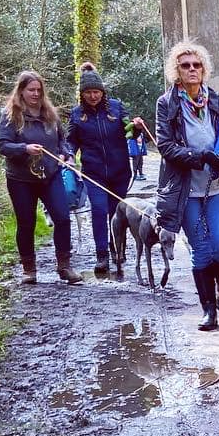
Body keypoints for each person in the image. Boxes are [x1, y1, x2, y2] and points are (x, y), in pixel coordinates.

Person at [154, 40, 219, 330]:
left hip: (218, 186)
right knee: (201, 248)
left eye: (197, 65)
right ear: (176, 71)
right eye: (185, 65)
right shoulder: (166, 104)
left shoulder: (215, 100)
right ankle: (208, 309)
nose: (192, 69)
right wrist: (199, 157)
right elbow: (165, 146)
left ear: (204, 69)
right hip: (185, 190)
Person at [0, 70, 83, 285]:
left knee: (62, 218)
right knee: (26, 223)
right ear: (21, 91)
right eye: (31, 90)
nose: (35, 94)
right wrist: (24, 148)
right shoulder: (10, 115)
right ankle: (29, 269)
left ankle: (64, 266)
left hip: (50, 175)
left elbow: (63, 141)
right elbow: (3, 145)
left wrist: (65, 155)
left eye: (39, 90)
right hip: (21, 179)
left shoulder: (50, 114)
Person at [66, 63, 145, 277]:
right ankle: (102, 255)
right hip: (93, 172)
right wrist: (69, 155)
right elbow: (71, 141)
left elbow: (130, 133)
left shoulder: (117, 108)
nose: (93, 96)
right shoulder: (76, 115)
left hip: (120, 171)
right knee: (100, 210)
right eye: (88, 92)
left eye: (97, 92)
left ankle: (117, 248)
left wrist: (137, 128)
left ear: (103, 91)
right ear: (82, 94)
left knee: (117, 213)